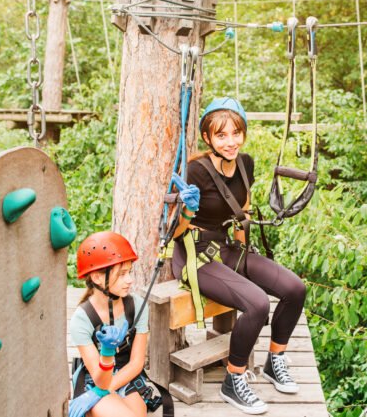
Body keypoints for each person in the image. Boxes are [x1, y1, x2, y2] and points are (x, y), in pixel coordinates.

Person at [171, 97, 307, 415]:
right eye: (221, 135)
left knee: (294, 288)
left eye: (236, 133)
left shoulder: (246, 163)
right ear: (208, 138)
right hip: (195, 253)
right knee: (257, 302)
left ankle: (275, 360)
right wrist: (187, 209)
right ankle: (234, 379)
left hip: (229, 248)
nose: (230, 142)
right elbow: (174, 234)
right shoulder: (195, 170)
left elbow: (242, 212)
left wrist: (247, 258)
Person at [68, 231, 151, 417]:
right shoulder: (82, 319)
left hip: (125, 374)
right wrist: (106, 352)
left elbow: (137, 362)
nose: (129, 280)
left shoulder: (137, 306)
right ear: (97, 278)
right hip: (95, 378)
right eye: (121, 274)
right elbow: (100, 379)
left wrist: (99, 393)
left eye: (129, 272)